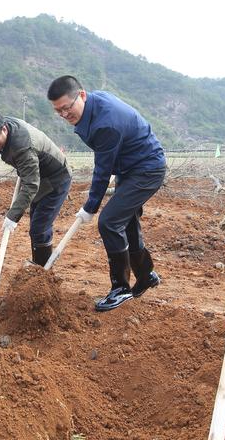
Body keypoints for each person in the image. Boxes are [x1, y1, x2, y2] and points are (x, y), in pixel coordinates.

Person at [47, 75, 166, 312]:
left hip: (146, 169)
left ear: (81, 95)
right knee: (126, 221)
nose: (63, 115)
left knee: (109, 221)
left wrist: (90, 207)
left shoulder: (105, 123)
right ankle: (145, 275)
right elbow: (106, 161)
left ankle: (120, 288)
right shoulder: (92, 105)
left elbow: (102, 170)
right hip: (130, 167)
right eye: (58, 111)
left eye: (66, 108)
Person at [0, 110, 72, 266]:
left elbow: (31, 184)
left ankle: (42, 272)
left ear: (4, 129)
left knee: (39, 227)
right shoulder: (4, 127)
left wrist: (12, 216)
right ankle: (39, 265)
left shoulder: (22, 146)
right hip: (38, 175)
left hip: (56, 179)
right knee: (36, 224)